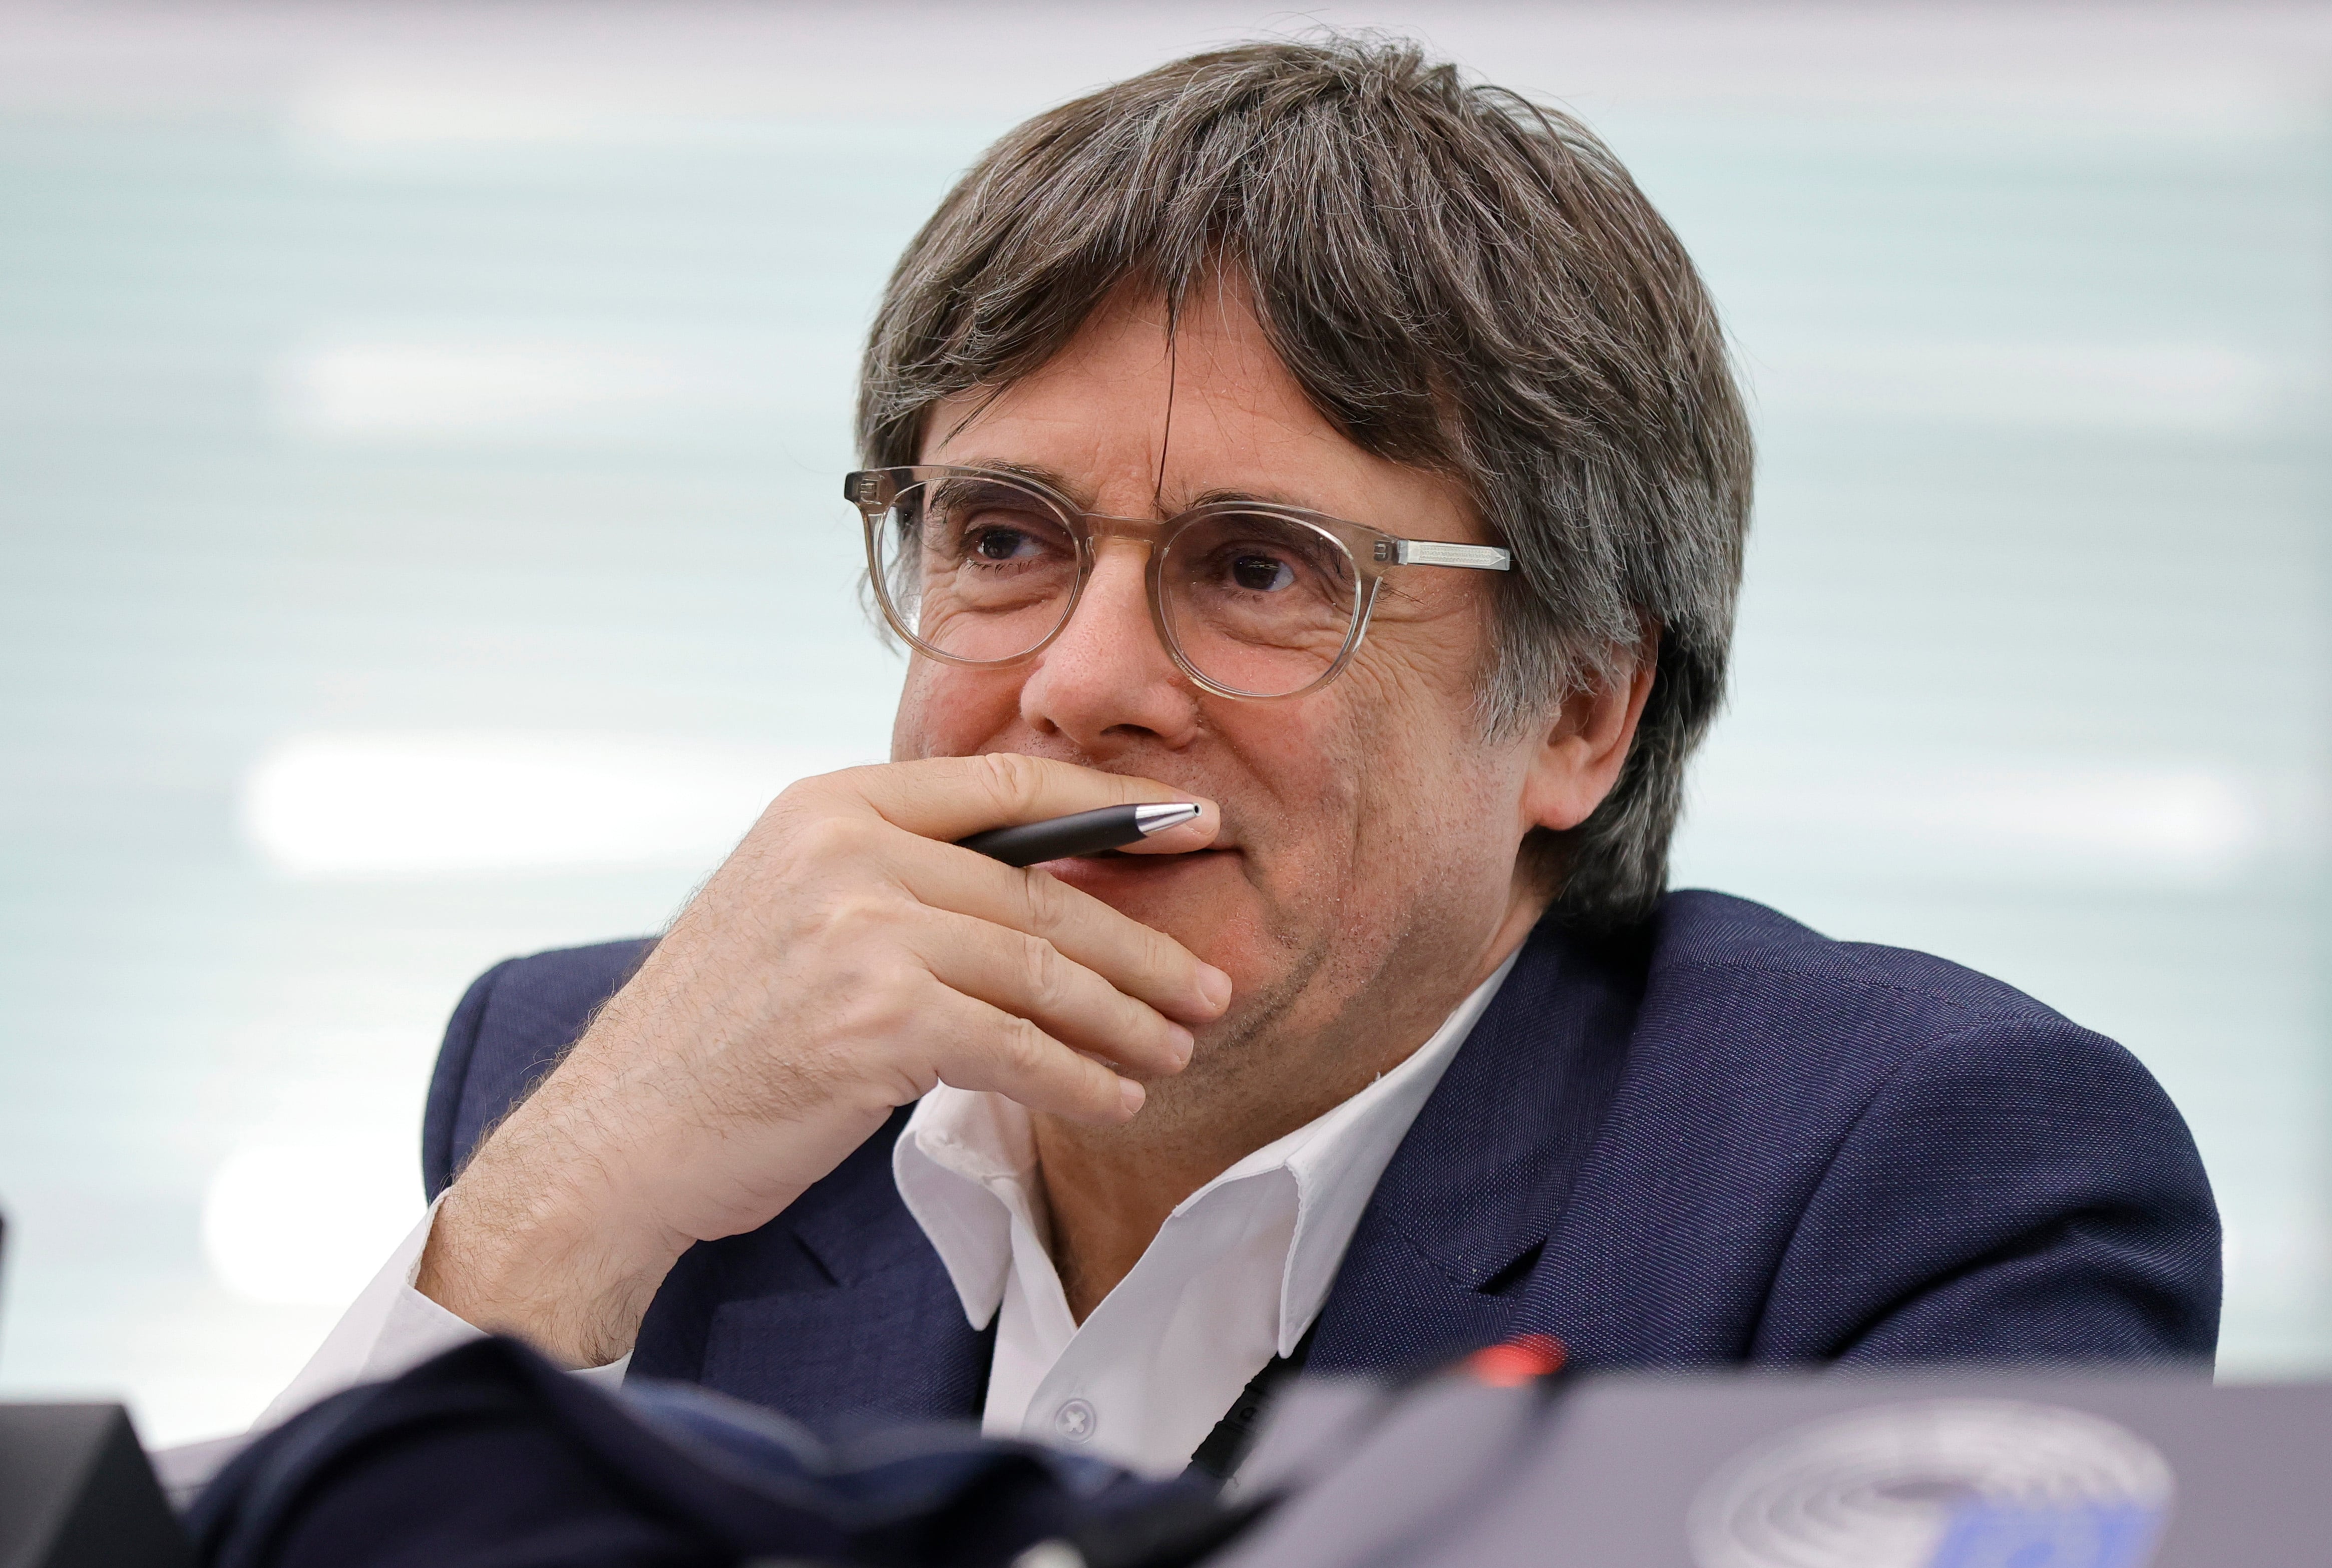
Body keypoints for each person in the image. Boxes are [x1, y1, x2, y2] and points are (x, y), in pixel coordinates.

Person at [265, 36, 2218, 1478]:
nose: (1082, 682)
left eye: (1259, 566)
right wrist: (568, 1203)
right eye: (1005, 538)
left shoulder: (1907, 1178)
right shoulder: (595, 1072)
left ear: (1576, 711)